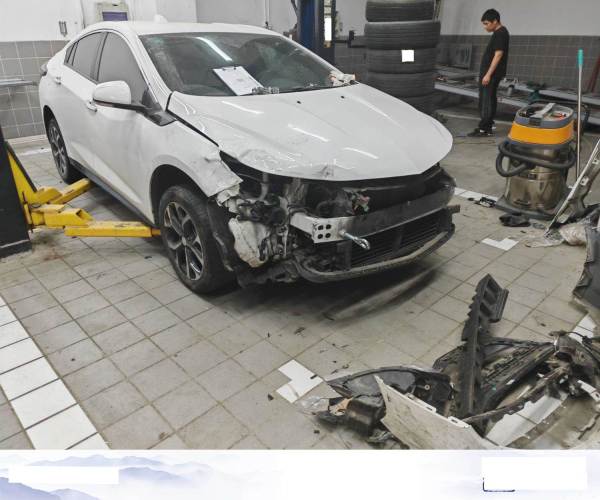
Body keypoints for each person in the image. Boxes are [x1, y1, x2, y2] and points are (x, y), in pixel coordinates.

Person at [468, 9, 510, 137]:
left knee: (486, 101)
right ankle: (487, 126)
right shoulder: (499, 32)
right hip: (491, 74)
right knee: (489, 99)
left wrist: (488, 74)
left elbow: (498, 55)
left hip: (491, 74)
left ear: (495, 21)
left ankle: (484, 129)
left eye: (486, 24)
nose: (485, 27)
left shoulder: (500, 33)